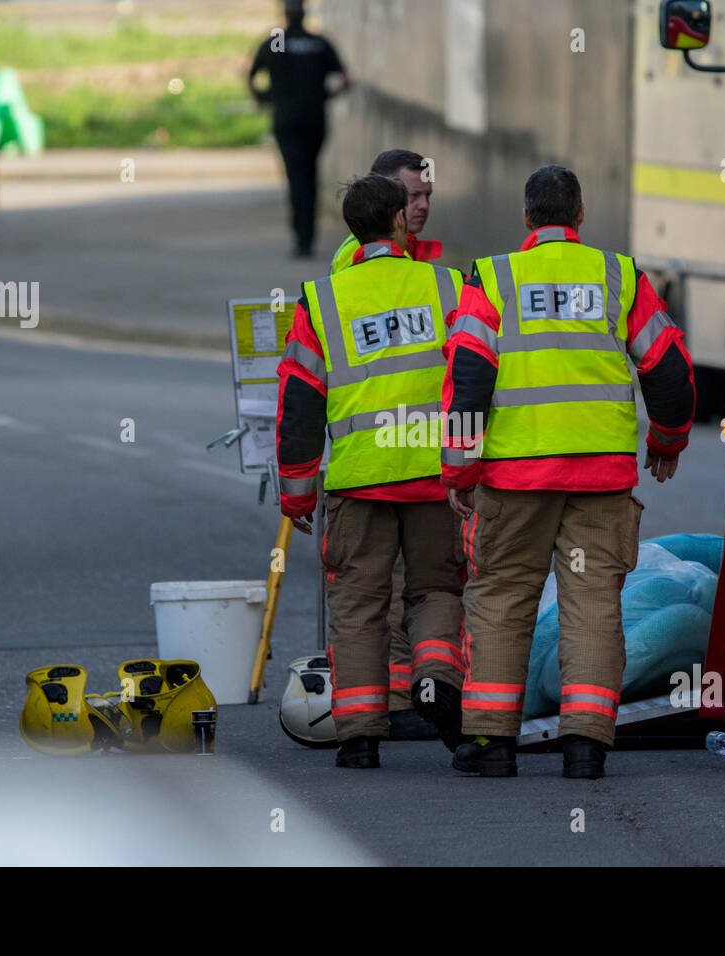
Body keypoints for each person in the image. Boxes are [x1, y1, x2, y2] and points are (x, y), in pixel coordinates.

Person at [439, 165, 696, 779]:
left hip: (514, 481)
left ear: (527, 218)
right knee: (592, 606)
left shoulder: (495, 277)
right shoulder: (619, 276)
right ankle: (585, 746)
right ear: (580, 216)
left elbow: (469, 377)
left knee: (500, 600)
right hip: (601, 482)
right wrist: (667, 440)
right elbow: (669, 370)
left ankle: (491, 746)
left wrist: (459, 470)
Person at [275, 174, 467, 769]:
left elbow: (300, 402)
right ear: (399, 221)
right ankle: (435, 674)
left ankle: (358, 736)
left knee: (357, 603)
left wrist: (297, 496)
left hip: (358, 480)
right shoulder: (448, 286)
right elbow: (477, 377)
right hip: (433, 476)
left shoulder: (324, 298)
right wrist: (470, 468)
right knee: (436, 587)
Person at [330, 147, 445, 742]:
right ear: (390, 211)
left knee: (371, 598)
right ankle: (406, 697)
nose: (420, 208)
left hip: (372, 469)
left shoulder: (430, 269)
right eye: (411, 199)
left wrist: (297, 486)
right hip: (413, 467)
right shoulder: (354, 276)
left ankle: (372, 720)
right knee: (412, 591)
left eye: (427, 196)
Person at [248, 0, 349, 258]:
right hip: (315, 120)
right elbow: (345, 79)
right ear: (305, 14)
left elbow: (251, 77)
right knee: (311, 174)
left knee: (295, 177)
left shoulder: (274, 42)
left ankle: (301, 239)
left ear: (285, 14)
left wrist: (263, 98)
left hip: (286, 121)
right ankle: (308, 236)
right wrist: (325, 96)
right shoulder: (319, 43)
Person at [331, 149, 441, 274]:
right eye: (414, 195)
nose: (424, 205)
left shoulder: (381, 245)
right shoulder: (361, 252)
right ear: (380, 191)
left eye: (427, 195)